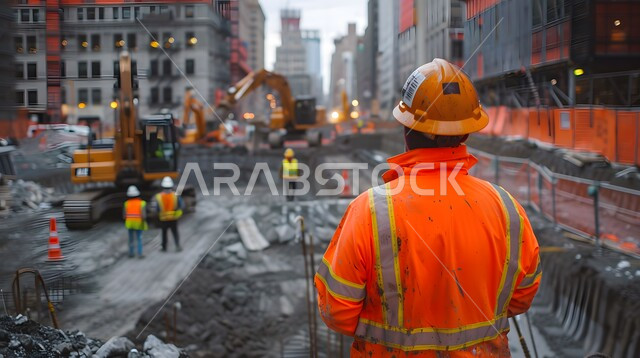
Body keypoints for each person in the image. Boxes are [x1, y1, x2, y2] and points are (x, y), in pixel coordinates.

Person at [315, 59, 541, 357]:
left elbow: (337, 312)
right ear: (466, 133)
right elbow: (521, 298)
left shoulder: (370, 210)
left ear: (406, 131)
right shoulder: (506, 208)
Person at [153, 176, 184, 252]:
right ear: (171, 186)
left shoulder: (159, 196)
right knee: (175, 232)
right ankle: (177, 246)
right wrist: (178, 214)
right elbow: (182, 206)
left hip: (164, 219)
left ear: (163, 186)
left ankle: (164, 247)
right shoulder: (175, 195)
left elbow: (157, 208)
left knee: (164, 234)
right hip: (173, 218)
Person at [123, 185, 148, 258]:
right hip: (138, 224)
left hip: (130, 224)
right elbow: (144, 216)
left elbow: (124, 216)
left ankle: (131, 253)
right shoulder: (142, 203)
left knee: (131, 239)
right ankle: (140, 254)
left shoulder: (126, 203)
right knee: (139, 238)